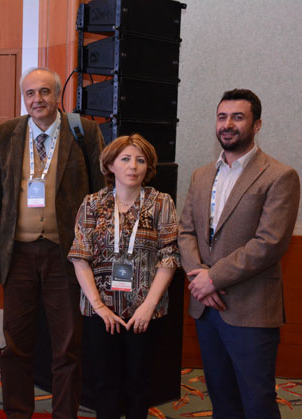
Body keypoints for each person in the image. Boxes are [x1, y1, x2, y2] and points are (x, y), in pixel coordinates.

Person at [0, 67, 105, 418]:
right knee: (15, 345)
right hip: (19, 255)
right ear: (23, 98)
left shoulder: (83, 131)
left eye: (44, 92)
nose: (37, 99)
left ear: (57, 95)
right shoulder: (5, 134)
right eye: (30, 93)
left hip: (66, 256)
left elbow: (101, 194)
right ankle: (17, 413)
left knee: (67, 346)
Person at [178, 89, 300, 418]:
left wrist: (212, 278)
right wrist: (199, 279)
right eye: (222, 117)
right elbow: (186, 232)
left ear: (257, 124)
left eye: (238, 117)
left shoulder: (280, 176)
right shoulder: (201, 175)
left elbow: (270, 242)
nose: (227, 124)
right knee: (221, 398)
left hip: (251, 309)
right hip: (206, 308)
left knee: (257, 402)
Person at [68, 134, 180, 418]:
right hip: (100, 312)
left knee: (139, 385)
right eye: (125, 159)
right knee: (104, 385)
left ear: (148, 167)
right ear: (110, 165)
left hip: (144, 312)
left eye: (140, 160)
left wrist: (148, 306)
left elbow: (169, 257)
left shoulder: (161, 203)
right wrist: (99, 307)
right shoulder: (93, 203)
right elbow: (80, 257)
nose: (133, 166)